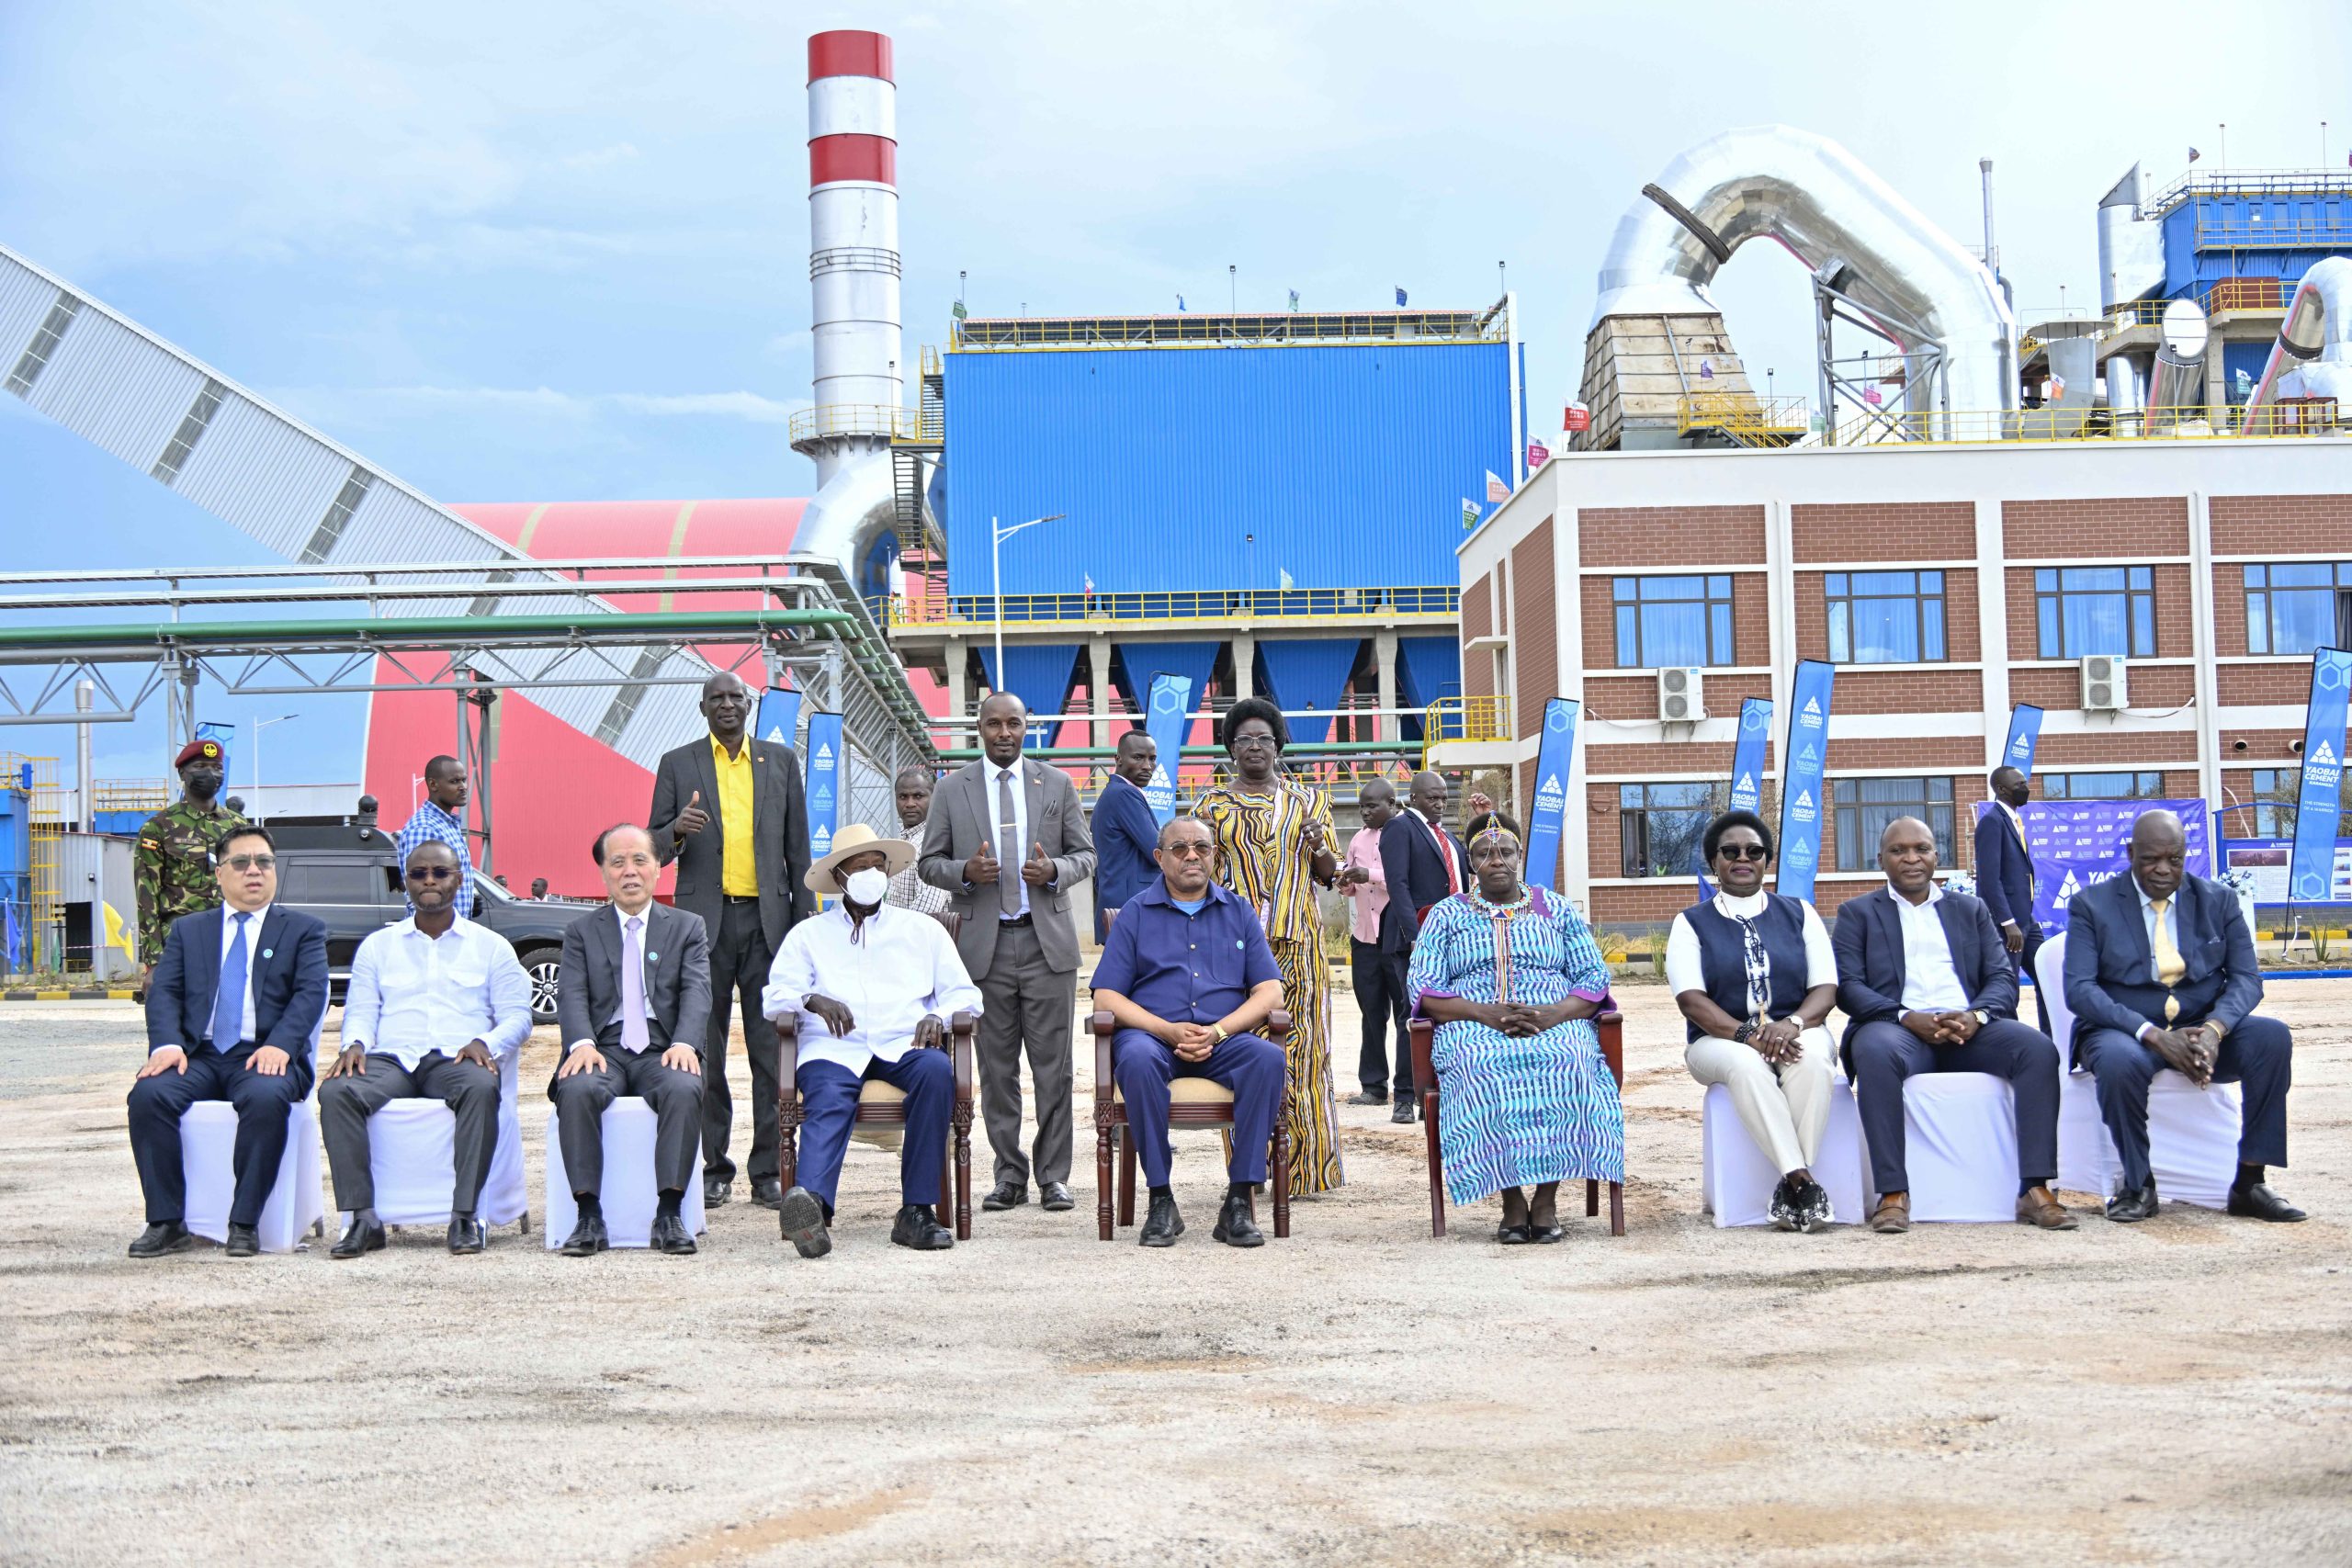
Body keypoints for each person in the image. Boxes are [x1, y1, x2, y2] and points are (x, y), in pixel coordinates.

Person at [2062, 809, 2303, 1224]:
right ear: (2130, 853)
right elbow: (2079, 990)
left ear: (2185, 855)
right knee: (2118, 1061)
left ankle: (2250, 1182)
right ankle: (2139, 1184)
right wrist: (2152, 1034)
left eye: (2174, 859)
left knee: (2271, 1038)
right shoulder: (2092, 905)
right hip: (2128, 1030)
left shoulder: (2218, 900)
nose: (2162, 870)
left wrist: (2214, 1029)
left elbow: (2247, 978)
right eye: (2150, 859)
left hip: (2201, 1027)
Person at [1834, 817, 2074, 1234]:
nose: (1911, 858)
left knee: (2037, 1049)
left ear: (1936, 856)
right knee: (1873, 1050)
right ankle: (1893, 1193)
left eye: (1921, 849)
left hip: (1969, 1029)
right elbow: (1849, 986)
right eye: (1899, 851)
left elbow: (2001, 977)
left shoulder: (1970, 909)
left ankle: (2034, 1188)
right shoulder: (1857, 913)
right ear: (1882, 860)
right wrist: (1907, 1016)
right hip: (1898, 1029)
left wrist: (1975, 1016)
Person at [763, 824, 980, 1258]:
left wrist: (937, 1016)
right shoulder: (809, 935)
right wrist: (811, 998)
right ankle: (812, 1210)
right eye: (858, 867)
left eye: (876, 866)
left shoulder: (923, 930)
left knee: (939, 1072)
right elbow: (775, 996)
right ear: (839, 877)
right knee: (827, 1095)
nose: (870, 874)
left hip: (906, 1042)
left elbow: (965, 995)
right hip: (835, 1046)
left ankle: (916, 1212)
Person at [918, 692, 1097, 1213]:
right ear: (979, 728)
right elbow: (930, 863)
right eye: (993, 724)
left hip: (1047, 945)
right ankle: (1009, 1175)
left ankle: (1054, 1176)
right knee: (996, 1071)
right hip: (983, 949)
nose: (1003, 733)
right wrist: (964, 875)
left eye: (1013, 724)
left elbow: (1085, 854)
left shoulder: (1057, 784)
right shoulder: (953, 789)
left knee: (1054, 1069)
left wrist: (1056, 872)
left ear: (1027, 727)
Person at [648, 670, 815, 1211]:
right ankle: (714, 1167)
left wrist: (802, 930)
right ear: (702, 709)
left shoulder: (780, 761)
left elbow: (798, 854)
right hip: (702, 927)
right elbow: (653, 847)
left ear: (750, 706)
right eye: (716, 699)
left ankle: (767, 1169)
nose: (727, 705)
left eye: (735, 698)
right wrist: (676, 829)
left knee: (771, 1052)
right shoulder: (678, 764)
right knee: (705, 1051)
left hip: (768, 928)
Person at [1407, 823, 1621, 1243]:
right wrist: (1484, 1014)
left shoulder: (1555, 908)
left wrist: (1553, 1015)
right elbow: (1424, 986)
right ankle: (1511, 1201)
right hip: (1472, 1024)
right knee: (1481, 1062)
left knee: (1570, 1058)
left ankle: (1545, 1200)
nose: (1496, 861)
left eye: (1505, 851)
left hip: (1554, 1021)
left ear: (1519, 856)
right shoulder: (1447, 914)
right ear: (1471, 863)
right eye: (1485, 854)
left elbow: (1594, 977)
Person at [319, 840, 532, 1258]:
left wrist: (484, 1042)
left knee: (480, 1087)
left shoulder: (491, 947)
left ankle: (465, 1216)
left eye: (440, 872)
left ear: (459, 879)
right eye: (418, 874)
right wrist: (355, 1043)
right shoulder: (378, 947)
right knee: (336, 1090)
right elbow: (361, 1010)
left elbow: (518, 1018)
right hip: (392, 1060)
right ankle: (364, 1218)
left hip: (456, 1058)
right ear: (405, 883)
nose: (429, 880)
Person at [124, 825, 329, 1258]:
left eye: (264, 862)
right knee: (148, 1096)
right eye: (241, 862)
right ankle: (166, 1222)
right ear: (220, 874)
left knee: (266, 1097)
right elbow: (166, 993)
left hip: (263, 1054)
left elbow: (310, 995)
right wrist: (166, 1045)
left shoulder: (303, 930)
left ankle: (244, 1222)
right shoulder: (188, 930)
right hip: (198, 1055)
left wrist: (282, 1045)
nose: (254, 871)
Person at [1091, 816, 1288, 1247]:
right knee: (1137, 1059)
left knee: (1268, 1058)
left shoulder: (1238, 912)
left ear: (1214, 857)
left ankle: (1238, 1201)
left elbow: (1270, 992)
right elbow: (1106, 997)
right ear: (1160, 858)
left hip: (1223, 1041)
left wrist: (1217, 1031)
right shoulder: (1135, 914)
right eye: (1180, 849)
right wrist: (1166, 1031)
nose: (1192, 856)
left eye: (1202, 847)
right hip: (1153, 1039)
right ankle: (1161, 1199)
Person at [1195, 696, 1343, 1195]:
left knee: (1304, 1052)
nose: (1254, 747)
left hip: (1298, 940)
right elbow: (1196, 875)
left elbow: (1331, 874)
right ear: (1230, 750)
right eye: (1244, 740)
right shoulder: (1210, 806)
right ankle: (1250, 1171)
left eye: (1263, 738)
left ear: (1278, 745)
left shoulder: (1309, 800)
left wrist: (1318, 844)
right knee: (1242, 1051)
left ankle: (1306, 1172)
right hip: (1231, 950)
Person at [1669, 810, 1840, 1232]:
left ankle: (1791, 1185)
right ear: (1714, 862)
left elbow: (1826, 988)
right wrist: (1749, 1035)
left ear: (1767, 860)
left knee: (1813, 1061)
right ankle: (1803, 1180)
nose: (1742, 858)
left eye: (1754, 851)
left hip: (1797, 1030)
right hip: (1718, 1042)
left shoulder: (1800, 913)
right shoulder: (1690, 923)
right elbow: (1692, 1001)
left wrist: (1793, 1024)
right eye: (1730, 851)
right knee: (1747, 1067)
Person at [549, 824, 714, 1256]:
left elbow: (698, 990)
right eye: (617, 862)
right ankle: (588, 1217)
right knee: (578, 1088)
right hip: (602, 1047)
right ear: (603, 873)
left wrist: (685, 1043)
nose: (630, 871)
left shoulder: (687, 926)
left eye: (640, 860)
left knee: (683, 1086)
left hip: (663, 1047)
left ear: (659, 868)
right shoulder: (581, 931)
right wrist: (580, 1042)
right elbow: (572, 992)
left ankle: (670, 1213)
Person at [1377, 770, 1469, 1124]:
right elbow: (1398, 886)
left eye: (1444, 797)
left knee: (1449, 1016)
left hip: (1455, 942)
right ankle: (1403, 1097)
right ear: (1414, 797)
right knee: (1410, 1016)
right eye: (1433, 797)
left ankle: (1438, 1093)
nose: (1440, 803)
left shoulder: (1445, 835)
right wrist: (1416, 936)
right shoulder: (1400, 828)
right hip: (1414, 941)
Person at [133, 738, 247, 981]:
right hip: (180, 943)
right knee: (177, 1017)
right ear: (183, 773)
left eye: (217, 768)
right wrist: (153, 962)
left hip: (230, 940)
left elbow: (251, 885)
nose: (211, 774)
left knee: (231, 1016)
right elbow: (147, 897)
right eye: (201, 767)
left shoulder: (239, 826)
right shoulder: (159, 828)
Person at [1339, 778, 1409, 1108]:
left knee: (1405, 1015)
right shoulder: (1358, 838)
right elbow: (1353, 886)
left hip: (1396, 940)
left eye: (1372, 806)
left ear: (1392, 804)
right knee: (1370, 1013)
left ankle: (1408, 1088)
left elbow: (1403, 881)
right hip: (1365, 940)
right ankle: (1374, 1086)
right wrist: (1346, 881)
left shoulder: (1404, 833)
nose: (1365, 812)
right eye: (1362, 806)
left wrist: (1371, 875)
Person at [1973, 766, 2048, 1035]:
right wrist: (2007, 922)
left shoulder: (2014, 820)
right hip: (2009, 924)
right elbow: (1989, 879)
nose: (2025, 787)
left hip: (2026, 919)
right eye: (2019, 783)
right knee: (2008, 988)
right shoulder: (1992, 822)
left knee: (2047, 976)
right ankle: (2012, 1042)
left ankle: (2054, 1040)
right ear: (2002, 789)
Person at [1091, 729, 1162, 938]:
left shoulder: (1114, 793)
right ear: (1118, 759)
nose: (1147, 766)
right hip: (1131, 910)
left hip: (1121, 908)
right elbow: (1155, 851)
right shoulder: (1124, 794)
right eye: (1138, 757)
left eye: (1152, 759)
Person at [394, 755, 476, 920]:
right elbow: (418, 889)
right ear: (433, 784)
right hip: (435, 934)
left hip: (454, 931)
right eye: (454, 781)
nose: (463, 787)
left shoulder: (447, 824)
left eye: (464, 780)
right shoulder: (425, 828)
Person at [886, 767, 950, 917]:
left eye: (918, 796)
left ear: (934, 798)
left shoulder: (937, 842)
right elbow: (894, 900)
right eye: (903, 797)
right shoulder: (903, 842)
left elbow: (928, 908)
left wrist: (896, 933)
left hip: (923, 936)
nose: (910, 804)